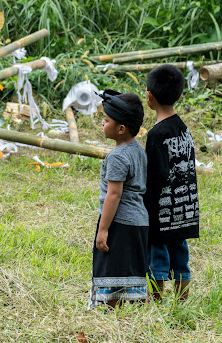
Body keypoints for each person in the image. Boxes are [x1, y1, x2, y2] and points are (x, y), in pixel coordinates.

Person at [144, 64, 200, 301]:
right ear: (178, 95)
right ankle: (182, 300)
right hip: (185, 206)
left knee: (157, 256)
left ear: (149, 96)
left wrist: (145, 205)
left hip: (164, 210)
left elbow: (155, 176)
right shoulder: (182, 127)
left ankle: (155, 301)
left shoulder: (157, 135)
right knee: (180, 256)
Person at [89, 90, 149, 310]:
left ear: (121, 129)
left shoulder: (117, 157)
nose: (102, 124)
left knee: (112, 270)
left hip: (120, 223)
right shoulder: (138, 151)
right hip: (139, 221)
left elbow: (114, 195)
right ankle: (126, 311)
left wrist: (103, 229)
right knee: (129, 268)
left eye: (106, 121)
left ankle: (112, 311)